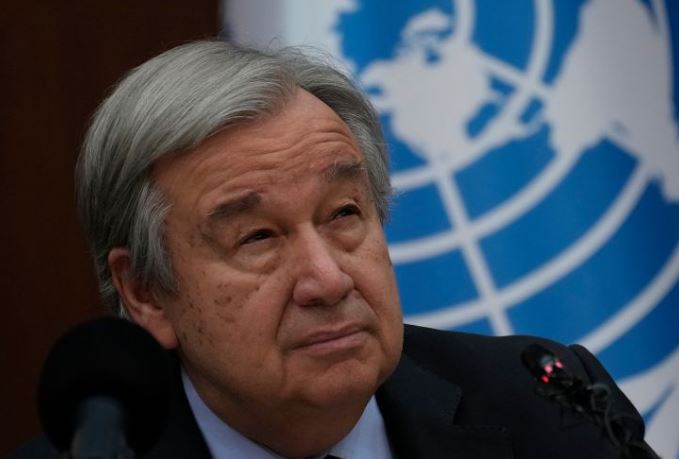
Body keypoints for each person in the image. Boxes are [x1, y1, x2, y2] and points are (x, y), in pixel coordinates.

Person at [10, 40, 656, 459]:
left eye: (344, 214)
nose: (327, 279)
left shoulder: (553, 408)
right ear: (146, 291)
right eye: (258, 237)